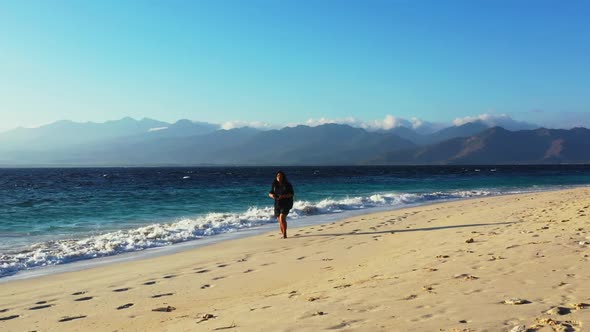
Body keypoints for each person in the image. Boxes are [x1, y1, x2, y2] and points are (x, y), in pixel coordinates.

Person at [268, 170, 294, 239]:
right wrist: (272, 196)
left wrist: (283, 196)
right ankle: (283, 234)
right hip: (277, 204)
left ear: (283, 177)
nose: (279, 177)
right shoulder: (274, 185)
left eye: (280, 176)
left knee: (282, 218)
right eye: (278, 176)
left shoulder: (288, 185)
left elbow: (291, 194)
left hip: (286, 203)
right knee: (280, 220)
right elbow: (270, 193)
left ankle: (285, 234)